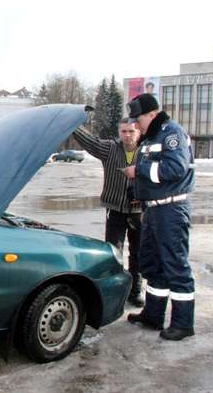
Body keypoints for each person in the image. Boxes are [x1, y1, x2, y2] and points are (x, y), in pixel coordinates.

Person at [122, 93, 195, 341]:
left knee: (175, 265)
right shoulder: (151, 136)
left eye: (138, 119)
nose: (135, 124)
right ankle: (153, 315)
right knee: (152, 265)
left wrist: (138, 169)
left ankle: (183, 324)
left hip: (171, 210)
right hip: (154, 210)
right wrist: (145, 210)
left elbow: (175, 169)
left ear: (152, 114)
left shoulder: (171, 134)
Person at [73, 119, 143, 307]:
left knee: (138, 253)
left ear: (138, 132)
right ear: (119, 132)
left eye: (131, 131)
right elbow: (90, 141)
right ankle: (116, 292)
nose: (127, 135)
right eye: (123, 131)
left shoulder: (146, 151)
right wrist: (72, 122)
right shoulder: (110, 148)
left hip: (139, 212)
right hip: (115, 210)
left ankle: (135, 292)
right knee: (113, 252)